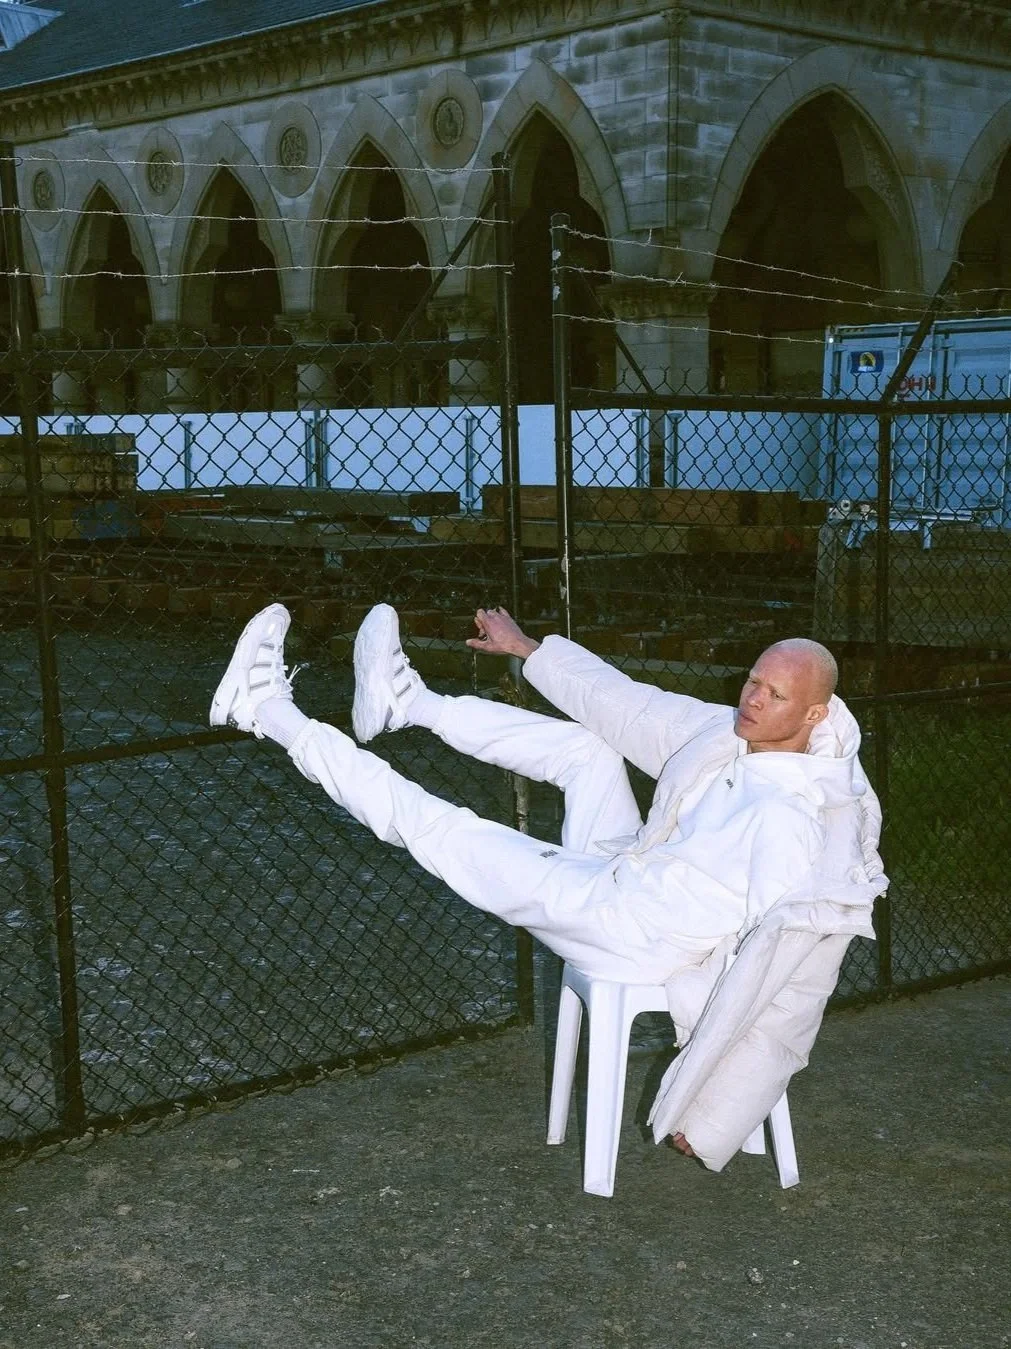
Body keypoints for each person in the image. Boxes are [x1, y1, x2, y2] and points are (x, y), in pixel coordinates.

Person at [209, 601, 880, 1160]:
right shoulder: (737, 734)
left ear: (815, 715)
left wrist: (712, 1115)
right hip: (636, 868)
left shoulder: (795, 821)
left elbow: (785, 983)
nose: (752, 699)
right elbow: (632, 707)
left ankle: (266, 711)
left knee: (444, 829)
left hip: (630, 928)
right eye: (753, 681)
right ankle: (407, 703)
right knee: (587, 751)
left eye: (774, 694)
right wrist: (527, 649)